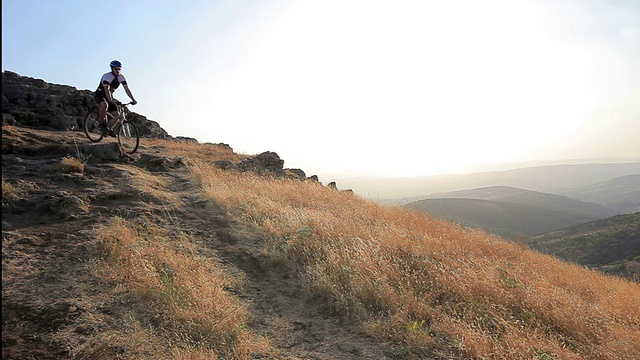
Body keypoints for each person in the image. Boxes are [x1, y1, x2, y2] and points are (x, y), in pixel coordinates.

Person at [95, 60, 137, 135]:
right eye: (116, 69)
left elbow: (127, 89)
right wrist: (111, 100)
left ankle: (108, 129)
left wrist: (133, 99)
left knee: (116, 115)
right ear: (112, 69)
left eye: (119, 69)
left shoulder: (121, 77)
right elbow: (106, 90)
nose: (118, 71)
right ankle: (101, 123)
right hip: (100, 94)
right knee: (105, 105)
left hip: (110, 95)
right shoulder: (107, 76)